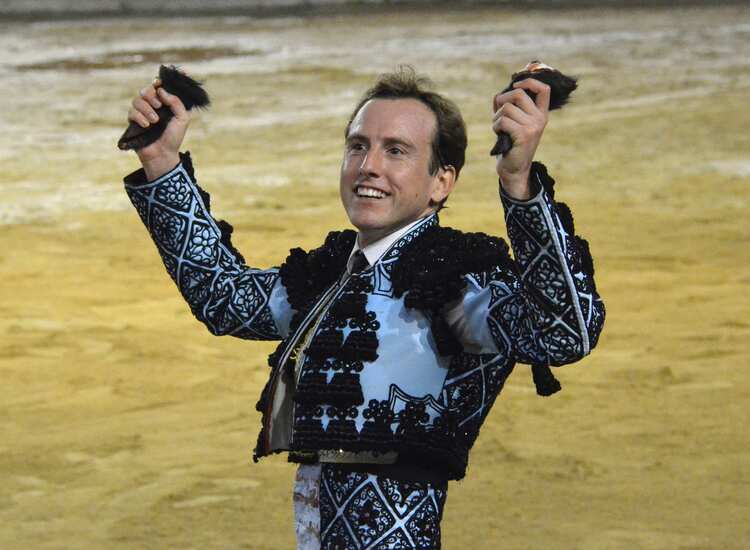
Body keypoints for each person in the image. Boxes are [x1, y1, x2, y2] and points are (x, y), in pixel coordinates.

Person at [122, 66, 605, 549]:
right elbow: (225, 298)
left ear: (441, 182)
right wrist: (161, 161)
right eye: (357, 146)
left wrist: (519, 183)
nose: (368, 166)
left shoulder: (455, 282)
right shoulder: (330, 277)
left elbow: (564, 333)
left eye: (396, 150)